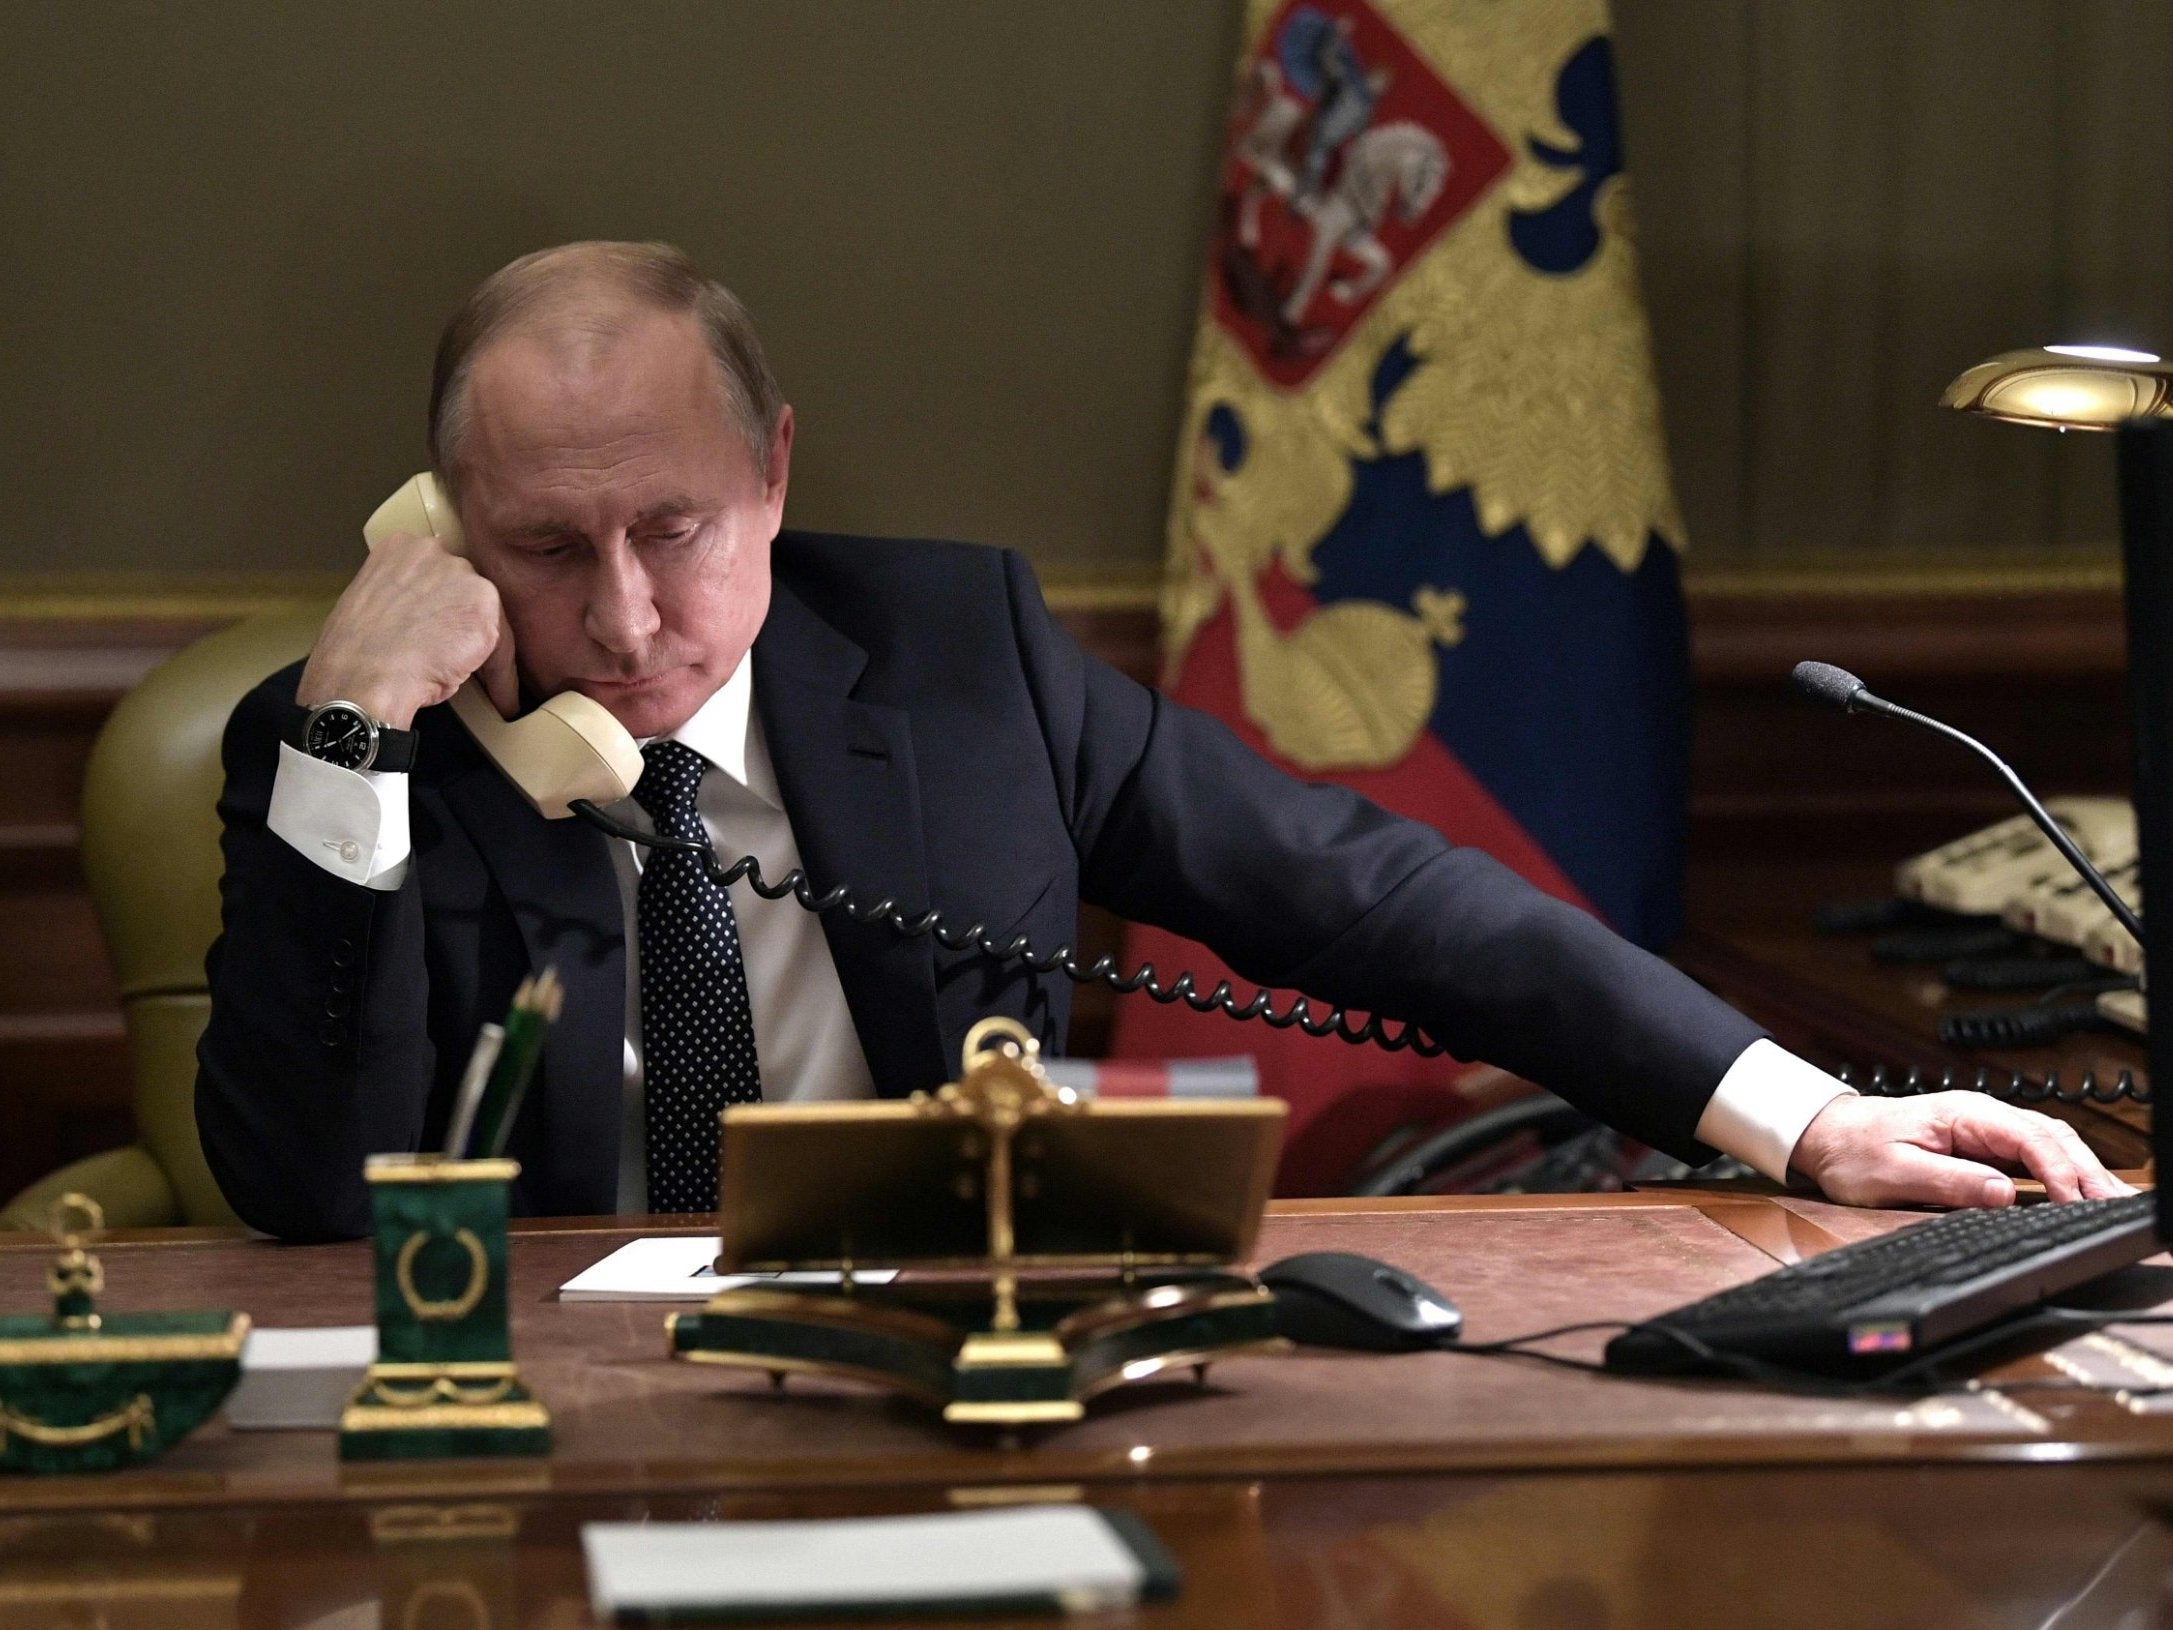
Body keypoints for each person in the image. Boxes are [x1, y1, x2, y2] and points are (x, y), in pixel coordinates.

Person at [197, 241, 2128, 1241]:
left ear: (774, 476)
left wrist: (1809, 1115)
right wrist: (356, 735)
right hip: (537, 1449)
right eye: (543, 548)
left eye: (674, 529)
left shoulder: (960, 662)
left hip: (947, 1387)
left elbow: (1373, 899)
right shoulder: (358, 760)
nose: (620, 618)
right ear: (447, 526)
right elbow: (297, 1189)